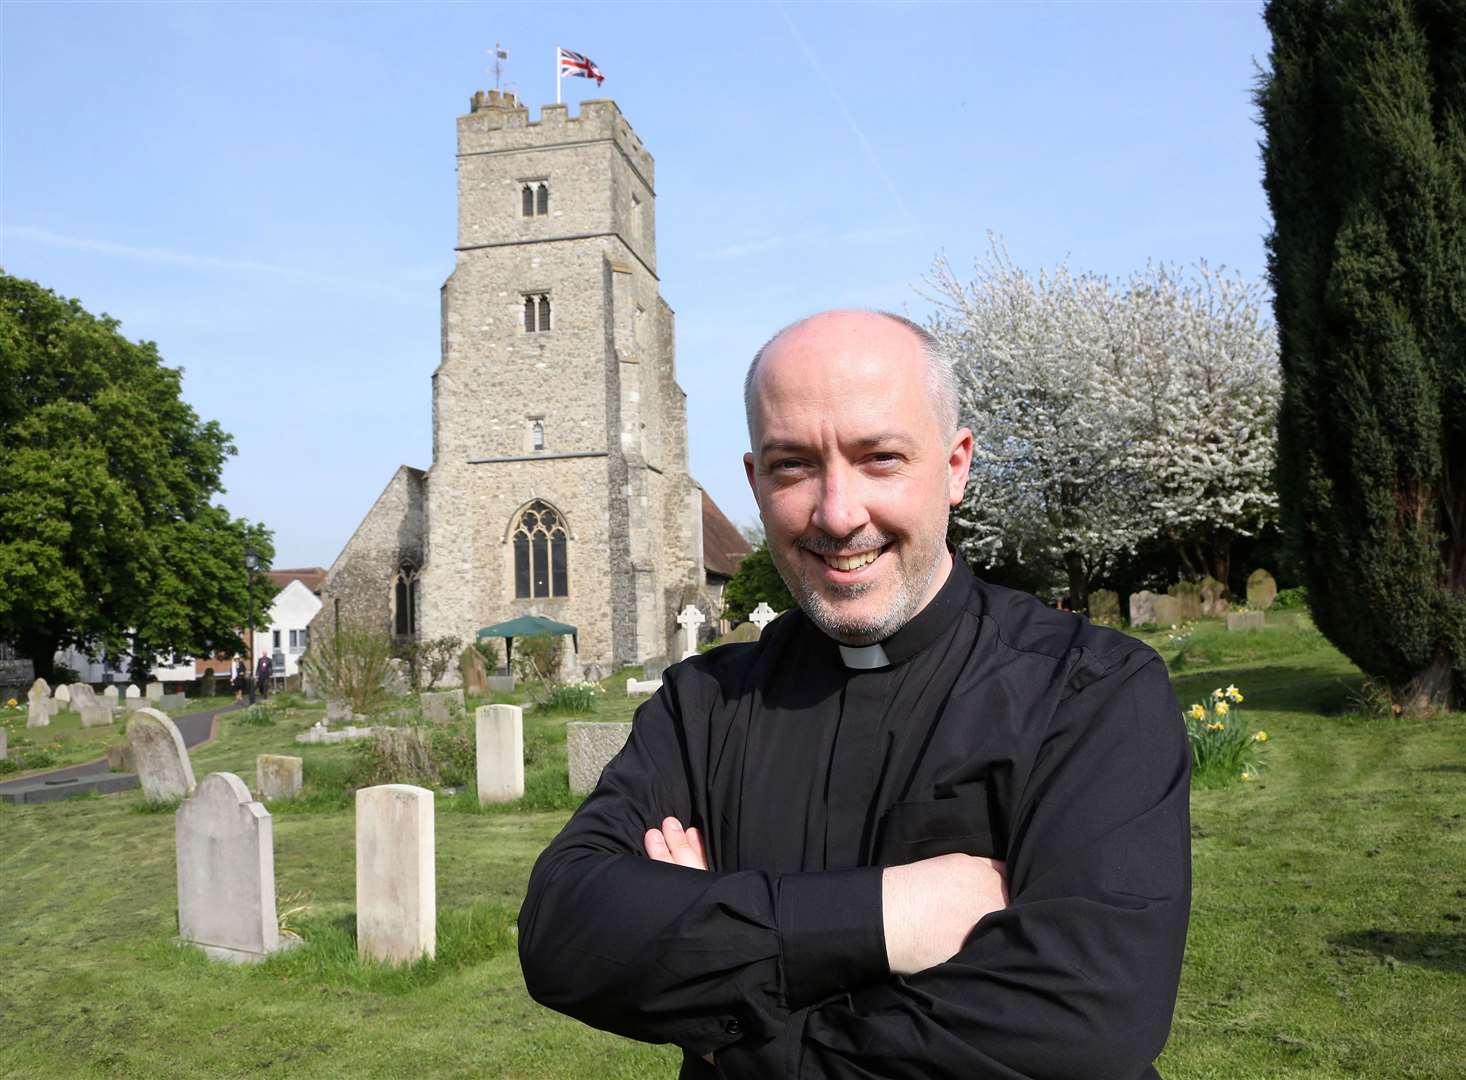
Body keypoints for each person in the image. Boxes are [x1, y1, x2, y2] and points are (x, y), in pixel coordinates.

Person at [519, 310, 1190, 1078]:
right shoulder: (701, 706)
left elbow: (1084, 1026)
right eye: (793, 466)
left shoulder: (1091, 693)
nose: (838, 514)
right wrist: (887, 920)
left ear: (957, 464)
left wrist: (727, 1015)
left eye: (880, 458)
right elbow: (564, 934)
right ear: (754, 482)